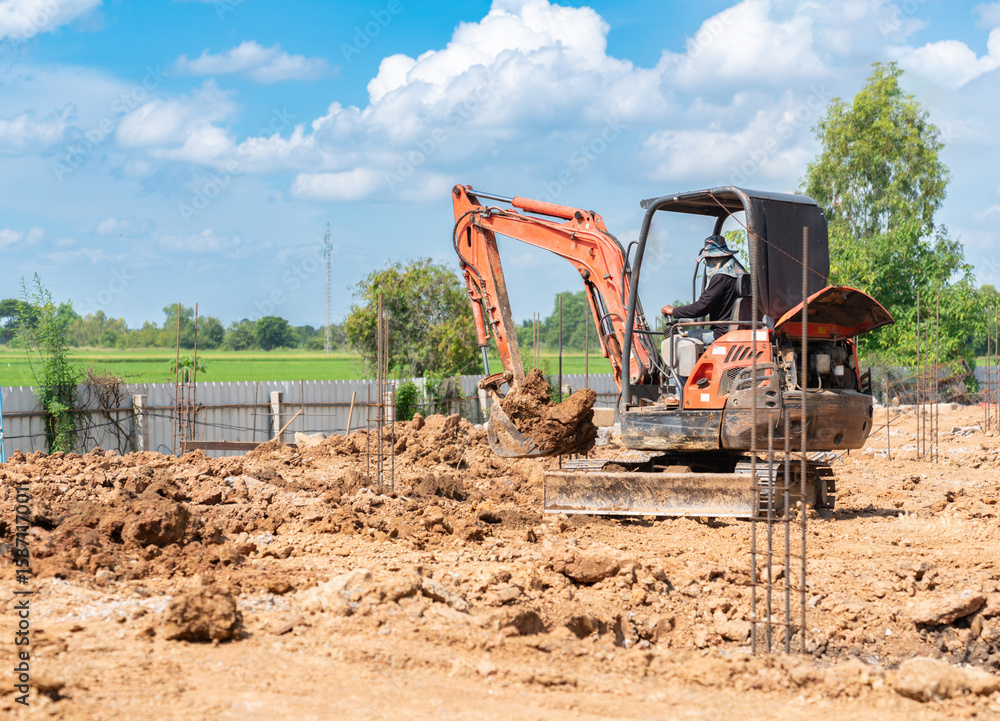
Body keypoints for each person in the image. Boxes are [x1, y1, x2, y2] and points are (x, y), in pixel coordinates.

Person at [660, 235, 746, 341]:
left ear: (714, 258)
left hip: (722, 334)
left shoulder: (721, 277)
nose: (707, 264)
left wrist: (674, 311)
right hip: (741, 332)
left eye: (707, 260)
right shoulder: (742, 275)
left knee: (676, 340)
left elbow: (701, 307)